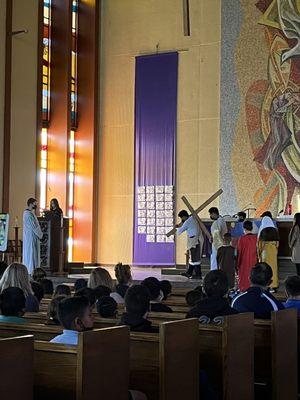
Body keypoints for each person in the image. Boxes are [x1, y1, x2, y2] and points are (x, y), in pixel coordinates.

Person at [176, 210, 204, 279]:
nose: (181, 220)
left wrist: (176, 227)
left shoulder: (188, 221)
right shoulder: (192, 219)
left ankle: (198, 274)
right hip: (195, 240)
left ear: (184, 216)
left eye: (181, 218)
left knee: (195, 259)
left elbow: (179, 231)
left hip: (194, 242)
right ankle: (189, 272)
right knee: (192, 258)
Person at [22, 198, 43, 275]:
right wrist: (41, 235)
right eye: (35, 203)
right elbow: (34, 226)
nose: (36, 205)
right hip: (31, 238)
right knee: (31, 254)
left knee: (31, 254)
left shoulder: (29, 213)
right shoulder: (28, 214)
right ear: (30, 204)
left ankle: (32, 270)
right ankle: (31, 271)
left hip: (31, 237)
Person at [236, 220, 258, 292]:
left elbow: (239, 252)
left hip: (243, 262)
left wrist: (237, 264)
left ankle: (243, 289)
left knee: (243, 278)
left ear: (244, 228)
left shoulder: (242, 239)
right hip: (254, 261)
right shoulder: (256, 238)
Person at [258, 226, 279, 291]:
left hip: (265, 256)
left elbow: (259, 248)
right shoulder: (275, 235)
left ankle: (266, 285)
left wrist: (259, 257)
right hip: (273, 255)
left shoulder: (263, 236)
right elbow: (277, 247)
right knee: (274, 270)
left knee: (265, 270)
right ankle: (274, 285)